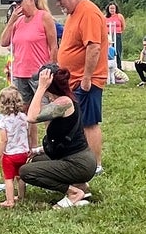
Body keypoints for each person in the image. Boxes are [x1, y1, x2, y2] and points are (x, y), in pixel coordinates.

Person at [22, 63, 98, 207]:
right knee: (35, 160)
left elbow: (31, 117)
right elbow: (61, 139)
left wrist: (40, 88)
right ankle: (80, 185)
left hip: (79, 163)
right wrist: (37, 150)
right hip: (72, 158)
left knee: (26, 172)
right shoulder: (61, 100)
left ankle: (73, 192)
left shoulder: (64, 102)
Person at [51, 0, 107, 168]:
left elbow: (93, 47)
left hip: (88, 81)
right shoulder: (73, 13)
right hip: (74, 79)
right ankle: (83, 160)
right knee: (77, 122)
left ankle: (95, 164)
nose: (58, 3)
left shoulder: (89, 12)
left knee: (89, 123)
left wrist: (87, 78)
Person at [0, 0, 57, 106]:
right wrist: (11, 21)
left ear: (31, 0)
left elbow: (53, 46)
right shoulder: (18, 21)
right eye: (16, 4)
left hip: (38, 73)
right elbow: (3, 42)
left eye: (20, 2)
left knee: (44, 109)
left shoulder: (44, 17)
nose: (18, 7)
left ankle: (50, 126)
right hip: (20, 73)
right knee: (24, 111)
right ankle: (28, 126)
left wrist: (52, 70)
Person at [0, 85, 31, 207]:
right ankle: (21, 196)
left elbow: (3, 140)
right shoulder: (24, 118)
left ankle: (9, 201)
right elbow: (28, 133)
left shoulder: (4, 121)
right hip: (23, 153)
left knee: (8, 178)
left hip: (10, 155)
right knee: (20, 176)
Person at [106, 2, 125, 71]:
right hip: (108, 35)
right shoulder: (105, 17)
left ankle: (119, 66)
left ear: (116, 9)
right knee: (108, 49)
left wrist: (119, 31)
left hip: (117, 34)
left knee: (117, 50)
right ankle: (108, 65)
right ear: (108, 9)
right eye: (110, 8)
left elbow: (123, 26)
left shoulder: (119, 16)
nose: (112, 10)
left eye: (113, 8)